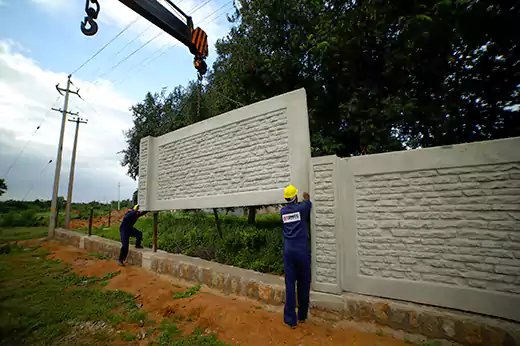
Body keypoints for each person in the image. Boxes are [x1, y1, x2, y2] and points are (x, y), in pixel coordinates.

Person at [280, 184, 312, 328]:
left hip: (289, 251)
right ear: (295, 197)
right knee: (304, 283)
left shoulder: (282, 212)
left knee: (290, 284)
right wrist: (306, 198)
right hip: (301, 250)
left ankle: (290, 319)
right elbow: (308, 203)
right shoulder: (302, 208)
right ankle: (302, 316)